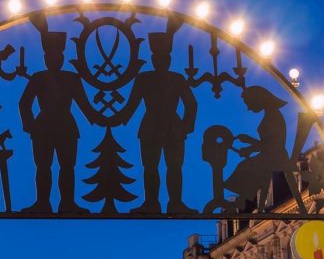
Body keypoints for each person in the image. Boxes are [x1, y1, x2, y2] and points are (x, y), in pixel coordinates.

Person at [19, 23, 101, 214]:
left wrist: (100, 118)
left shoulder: (71, 78)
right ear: (46, 58)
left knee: (67, 167)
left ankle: (67, 204)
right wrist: (29, 124)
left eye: (58, 55)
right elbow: (24, 103)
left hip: (66, 128)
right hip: (43, 128)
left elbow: (84, 104)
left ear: (62, 57)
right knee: (43, 167)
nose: (54, 59)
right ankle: (43, 203)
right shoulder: (38, 78)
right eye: (50, 56)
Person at [113, 30, 197, 214]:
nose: (161, 61)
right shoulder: (146, 78)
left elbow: (191, 104)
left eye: (164, 57)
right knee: (151, 167)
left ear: (168, 60)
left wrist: (185, 127)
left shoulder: (176, 79)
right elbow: (132, 104)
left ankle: (174, 203)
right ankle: (152, 203)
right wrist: (117, 119)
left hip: (170, 127)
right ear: (153, 59)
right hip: (152, 127)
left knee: (173, 167)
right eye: (158, 57)